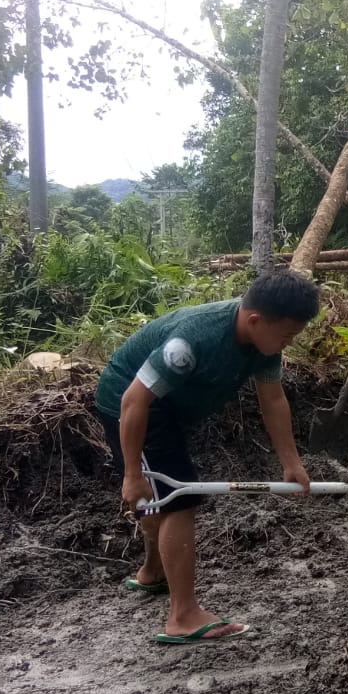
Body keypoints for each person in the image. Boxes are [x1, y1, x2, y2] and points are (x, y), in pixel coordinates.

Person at [94, 272, 319, 645]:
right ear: (255, 320)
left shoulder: (264, 342)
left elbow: (273, 399)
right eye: (285, 336)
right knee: (179, 500)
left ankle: (153, 572)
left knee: (160, 497)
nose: (287, 343)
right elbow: (133, 401)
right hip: (135, 407)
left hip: (168, 406)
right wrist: (132, 472)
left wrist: (291, 461)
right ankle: (182, 616)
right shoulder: (191, 342)